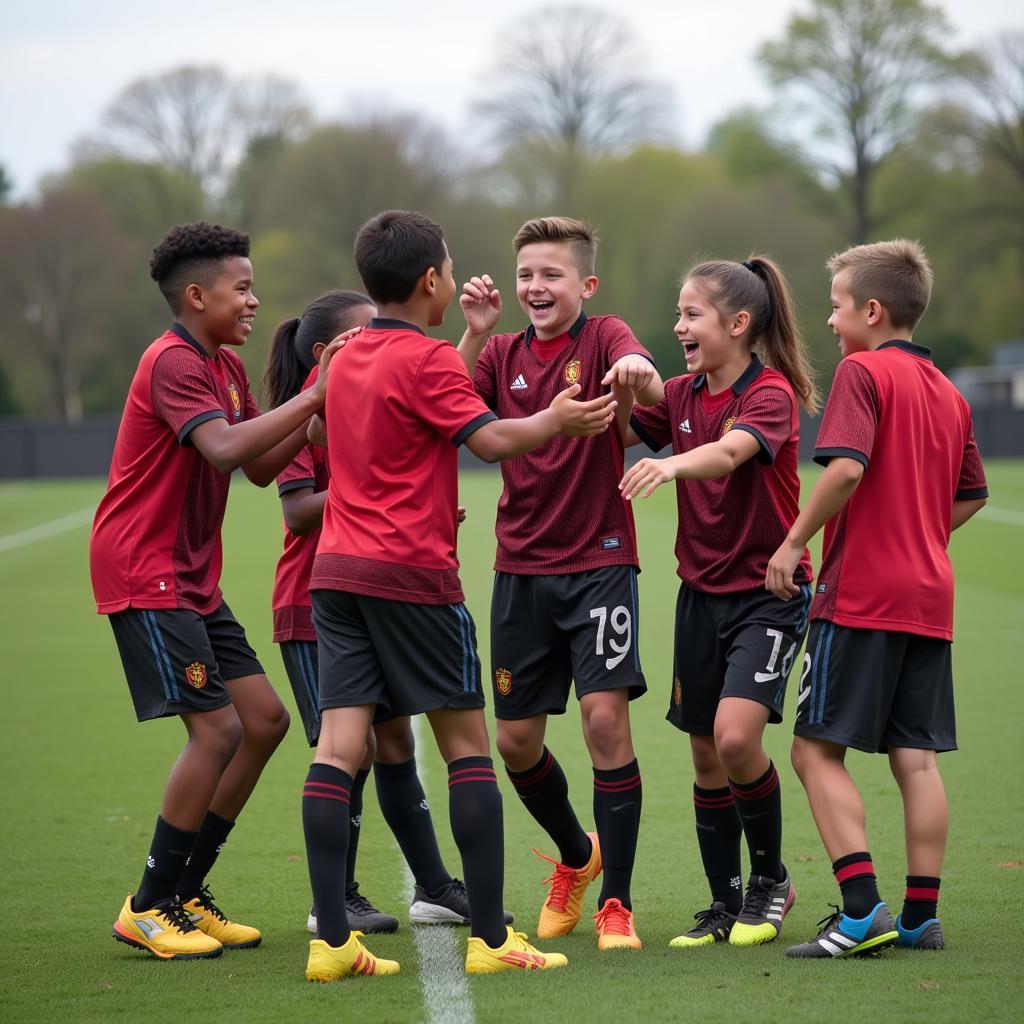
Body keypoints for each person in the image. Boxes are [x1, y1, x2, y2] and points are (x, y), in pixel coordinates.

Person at [302, 209, 619, 983]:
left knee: (337, 750)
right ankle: (488, 937)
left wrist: (471, 344)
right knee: (468, 751)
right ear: (432, 281)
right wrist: (557, 418)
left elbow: (321, 437)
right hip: (412, 577)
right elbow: (486, 439)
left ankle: (331, 944)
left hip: (336, 575)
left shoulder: (345, 356)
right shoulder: (428, 361)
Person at [90, 221, 343, 960]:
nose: (255, 301)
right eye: (242, 288)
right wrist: (316, 396)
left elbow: (260, 469)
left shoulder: (225, 368)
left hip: (190, 577)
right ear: (196, 296)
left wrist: (323, 415)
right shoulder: (173, 362)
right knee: (219, 729)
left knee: (262, 722)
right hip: (144, 569)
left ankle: (185, 893)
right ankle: (146, 905)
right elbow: (227, 447)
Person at [263, 289, 512, 935]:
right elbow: (295, 509)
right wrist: (386, 496)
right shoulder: (311, 410)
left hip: (363, 581)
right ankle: (334, 898)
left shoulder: (369, 378)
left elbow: (422, 399)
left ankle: (431, 887)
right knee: (350, 752)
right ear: (328, 354)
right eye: (365, 333)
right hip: (320, 597)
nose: (377, 342)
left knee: (391, 740)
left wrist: (409, 498)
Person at [766, 240, 988, 958]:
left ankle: (860, 911)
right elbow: (972, 495)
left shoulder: (862, 374)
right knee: (916, 760)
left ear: (871, 309)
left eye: (834, 306)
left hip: (862, 592)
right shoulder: (950, 393)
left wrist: (796, 540)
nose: (829, 322)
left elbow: (845, 472)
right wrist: (920, 535)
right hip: (931, 594)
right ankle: (922, 916)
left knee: (812, 751)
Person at [458, 216, 661, 951]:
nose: (536, 288)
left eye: (551, 275)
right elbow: (447, 405)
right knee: (514, 742)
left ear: (585, 284)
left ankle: (617, 903)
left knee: (605, 722)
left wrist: (640, 373)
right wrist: (477, 331)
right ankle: (578, 856)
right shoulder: (501, 351)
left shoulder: (604, 336)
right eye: (526, 277)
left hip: (601, 561)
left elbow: (641, 365)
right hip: (520, 567)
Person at [618, 255, 819, 949]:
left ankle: (772, 883)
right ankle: (723, 903)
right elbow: (625, 421)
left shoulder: (770, 395)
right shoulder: (679, 395)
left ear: (738, 324)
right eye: (677, 313)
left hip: (768, 594)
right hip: (699, 594)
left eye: (691, 314)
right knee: (706, 753)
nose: (679, 326)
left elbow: (730, 454)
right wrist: (628, 381)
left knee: (737, 740)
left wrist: (672, 460)